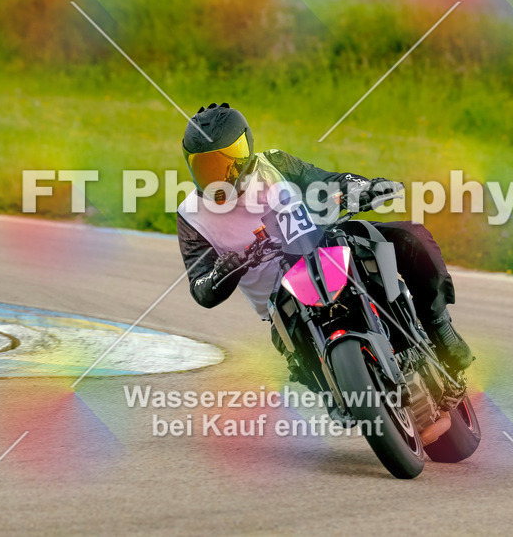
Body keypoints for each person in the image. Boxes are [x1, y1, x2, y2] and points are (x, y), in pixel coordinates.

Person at [176, 103, 474, 383]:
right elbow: (200, 287)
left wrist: (361, 186)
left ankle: (439, 325)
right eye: (207, 168)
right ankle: (343, 386)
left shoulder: (274, 163)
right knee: (303, 368)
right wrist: (221, 273)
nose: (221, 176)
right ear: (192, 168)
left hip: (326, 253)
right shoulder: (191, 216)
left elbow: (323, 180)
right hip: (282, 302)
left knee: (411, 237)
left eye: (229, 161)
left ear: (247, 151)